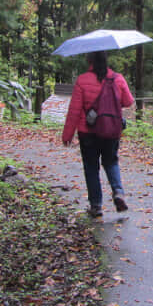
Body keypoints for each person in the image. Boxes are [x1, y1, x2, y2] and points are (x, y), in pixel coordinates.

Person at [62, 51, 134, 217]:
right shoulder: (118, 78)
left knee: (91, 168)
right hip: (111, 130)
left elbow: (74, 110)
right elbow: (128, 101)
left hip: (88, 131)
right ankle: (118, 192)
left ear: (90, 60)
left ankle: (96, 206)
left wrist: (67, 135)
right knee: (111, 162)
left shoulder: (82, 80)